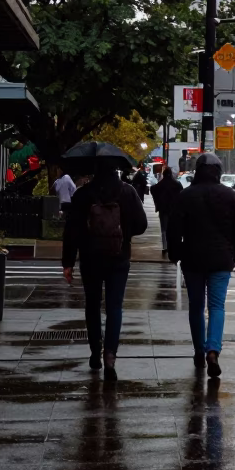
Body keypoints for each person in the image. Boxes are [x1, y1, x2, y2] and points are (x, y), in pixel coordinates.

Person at [62, 158, 148, 381]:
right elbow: (142, 224)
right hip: (119, 257)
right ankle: (110, 355)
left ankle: (94, 352)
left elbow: (71, 230)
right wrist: (124, 232)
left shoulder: (83, 194)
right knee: (114, 307)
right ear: (116, 169)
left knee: (92, 305)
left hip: (90, 258)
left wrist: (68, 262)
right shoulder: (127, 192)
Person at [168, 152, 235, 379]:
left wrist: (175, 254)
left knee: (195, 307)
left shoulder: (186, 196)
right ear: (219, 172)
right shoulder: (229, 195)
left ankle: (199, 351)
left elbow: (174, 229)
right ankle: (213, 349)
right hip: (221, 259)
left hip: (192, 259)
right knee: (216, 307)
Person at [150, 167, 183, 258]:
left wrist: (158, 202)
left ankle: (165, 246)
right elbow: (182, 194)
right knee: (174, 228)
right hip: (174, 209)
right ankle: (174, 245)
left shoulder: (160, 185)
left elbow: (152, 189)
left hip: (163, 209)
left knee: (164, 229)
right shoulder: (177, 184)